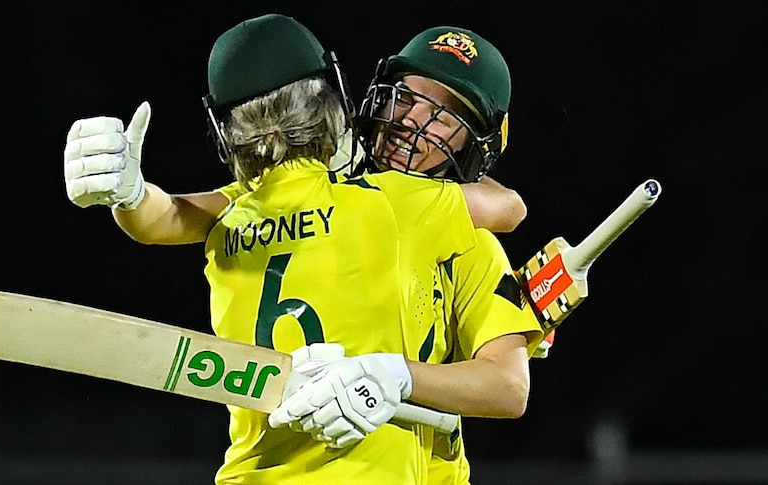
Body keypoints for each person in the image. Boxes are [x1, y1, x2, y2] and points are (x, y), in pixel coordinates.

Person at [63, 14, 541, 485]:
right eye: (408, 97)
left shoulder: (467, 240)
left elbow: (507, 386)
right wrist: (129, 196)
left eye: (444, 116)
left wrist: (397, 377)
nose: (411, 121)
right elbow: (167, 217)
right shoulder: (370, 203)